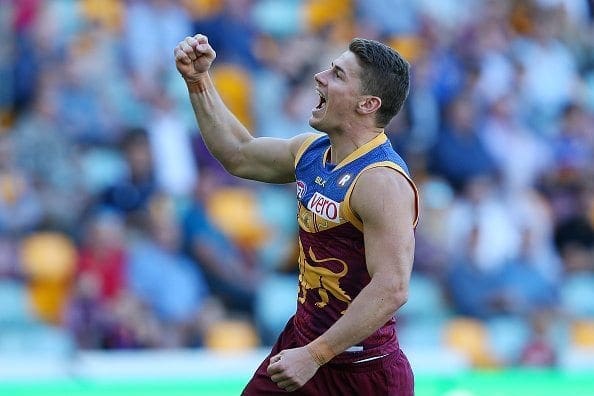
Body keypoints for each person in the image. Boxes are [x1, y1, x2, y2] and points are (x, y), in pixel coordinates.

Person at [174, 33, 419, 395]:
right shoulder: (310, 152)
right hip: (301, 346)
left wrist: (314, 355)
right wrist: (198, 81)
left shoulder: (381, 182)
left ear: (367, 104)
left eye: (337, 75)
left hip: (361, 372)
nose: (319, 77)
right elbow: (238, 152)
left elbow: (392, 288)